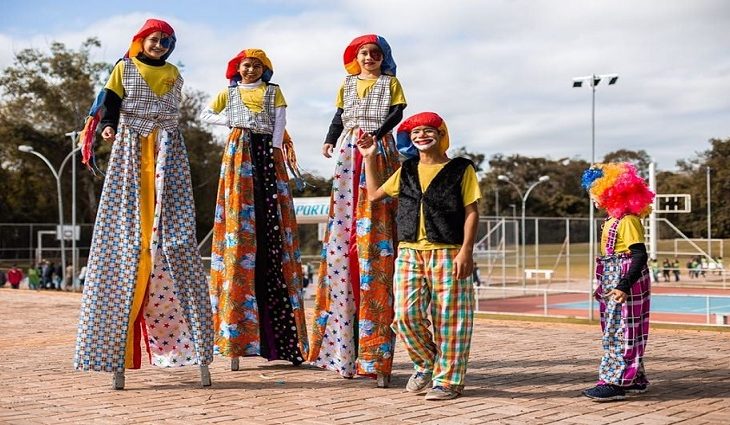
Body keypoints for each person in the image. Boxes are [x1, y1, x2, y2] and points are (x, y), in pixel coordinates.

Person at [74, 19, 214, 384]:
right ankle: (112, 351)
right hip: (133, 146)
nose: (160, 45)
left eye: (166, 42)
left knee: (175, 239)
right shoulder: (124, 67)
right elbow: (108, 102)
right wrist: (107, 125)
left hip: (167, 150)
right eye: (154, 40)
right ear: (141, 41)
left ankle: (191, 348)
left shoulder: (172, 74)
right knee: (130, 241)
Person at [358, 112, 480, 400]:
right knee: (404, 316)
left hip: (449, 252)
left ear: (441, 135)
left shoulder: (461, 169)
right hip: (410, 252)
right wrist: (368, 156)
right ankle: (426, 363)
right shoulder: (408, 169)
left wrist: (466, 251)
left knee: (451, 320)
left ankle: (448, 381)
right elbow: (374, 194)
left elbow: (472, 211)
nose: (421, 136)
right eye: (415, 133)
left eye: (428, 130)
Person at [309, 34, 406, 387]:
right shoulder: (347, 84)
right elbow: (338, 116)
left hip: (376, 146)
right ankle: (339, 351)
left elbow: (397, 113)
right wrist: (330, 138)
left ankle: (374, 352)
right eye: (365, 53)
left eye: (376, 54)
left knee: (375, 201)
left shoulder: (390, 83)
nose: (370, 58)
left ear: (383, 58)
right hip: (351, 145)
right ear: (356, 57)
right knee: (345, 214)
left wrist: (376, 135)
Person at [201, 48, 307, 367]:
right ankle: (238, 338)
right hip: (239, 151)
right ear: (238, 68)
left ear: (265, 69)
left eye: (256, 65)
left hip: (265, 154)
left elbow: (279, 122)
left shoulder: (273, 91)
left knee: (271, 226)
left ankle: (283, 342)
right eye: (246, 65)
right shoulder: (229, 93)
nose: (250, 69)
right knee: (240, 219)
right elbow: (205, 114)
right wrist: (230, 121)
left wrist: (275, 152)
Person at [580, 162, 654, 401]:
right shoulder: (611, 220)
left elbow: (639, 254)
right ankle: (635, 378)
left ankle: (615, 381)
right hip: (613, 277)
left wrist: (623, 285)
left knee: (622, 330)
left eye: (594, 193)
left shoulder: (627, 221)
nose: (592, 198)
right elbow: (609, 258)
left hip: (626, 280)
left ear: (611, 192)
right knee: (615, 328)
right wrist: (602, 284)